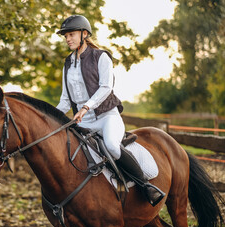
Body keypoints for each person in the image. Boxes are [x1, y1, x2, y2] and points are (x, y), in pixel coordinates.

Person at [56, 15, 165, 207]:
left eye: (71, 34)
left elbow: (106, 87)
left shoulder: (101, 57)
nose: (67, 39)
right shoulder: (67, 63)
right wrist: (52, 118)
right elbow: (65, 99)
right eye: (65, 36)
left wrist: (85, 107)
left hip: (106, 117)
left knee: (113, 147)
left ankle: (145, 185)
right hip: (82, 122)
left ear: (84, 34)